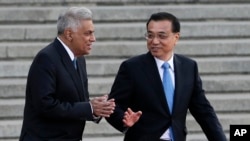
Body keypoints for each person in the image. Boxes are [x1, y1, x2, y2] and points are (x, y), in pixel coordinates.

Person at [106, 12, 227, 141]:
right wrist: (124, 119)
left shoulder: (188, 67)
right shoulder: (132, 68)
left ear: (176, 37)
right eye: (150, 35)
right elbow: (112, 106)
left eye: (161, 36)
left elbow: (203, 111)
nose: (154, 41)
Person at [20, 7, 115, 141]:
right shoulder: (46, 58)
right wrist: (88, 108)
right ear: (69, 34)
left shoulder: (79, 59)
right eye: (88, 33)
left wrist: (96, 107)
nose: (93, 39)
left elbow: (77, 102)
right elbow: (45, 106)